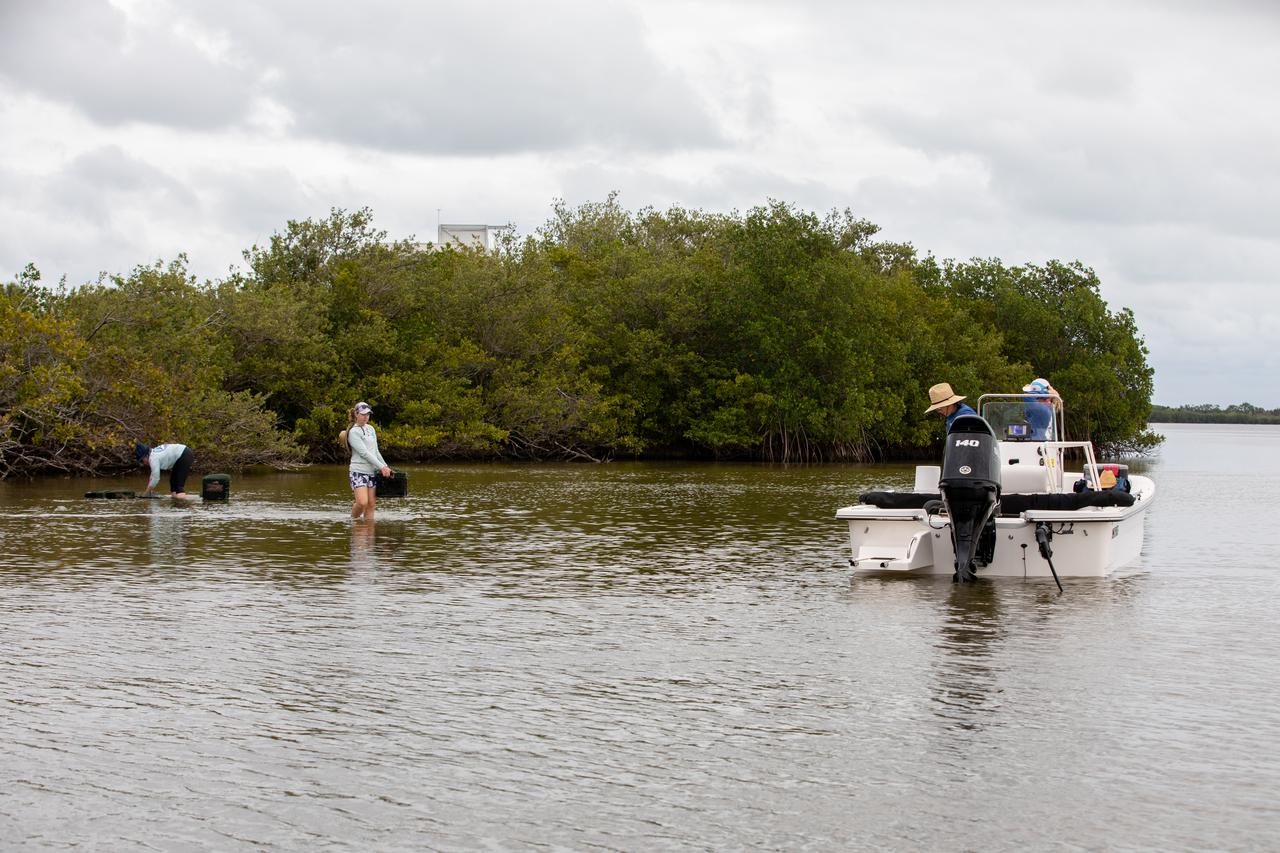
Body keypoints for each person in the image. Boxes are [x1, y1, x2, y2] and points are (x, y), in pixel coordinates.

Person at [347, 401, 392, 520]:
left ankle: (369, 534)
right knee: (362, 503)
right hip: (358, 471)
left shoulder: (371, 429)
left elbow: (375, 451)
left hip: (371, 472)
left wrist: (385, 466)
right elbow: (364, 453)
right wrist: (381, 467)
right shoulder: (353, 432)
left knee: (371, 504)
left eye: (368, 414)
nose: (366, 417)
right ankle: (352, 521)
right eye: (363, 414)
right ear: (356, 414)